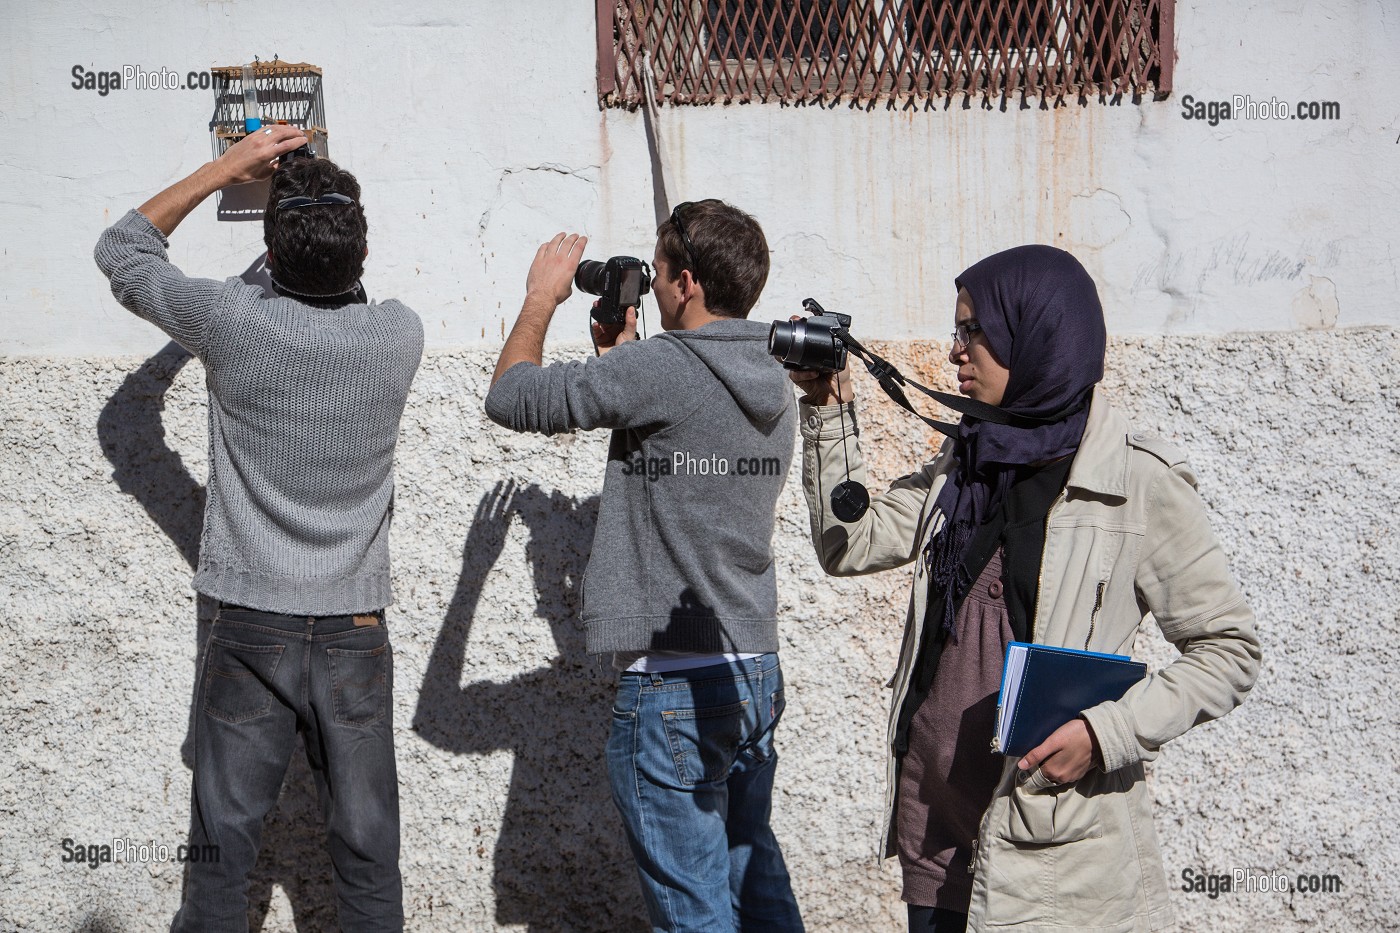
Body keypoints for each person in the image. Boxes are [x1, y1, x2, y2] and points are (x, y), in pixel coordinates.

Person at [789, 245, 1260, 933]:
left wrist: (1106, 732)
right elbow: (849, 542)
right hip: (936, 827)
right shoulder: (969, 459)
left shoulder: (1136, 481)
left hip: (1050, 844)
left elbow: (1229, 649)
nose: (955, 352)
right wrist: (828, 410)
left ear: (1035, 333)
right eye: (958, 331)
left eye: (973, 331)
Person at [94, 126, 423, 932]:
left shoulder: (231, 323)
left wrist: (228, 169)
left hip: (249, 628)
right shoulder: (399, 334)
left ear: (271, 257)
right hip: (353, 629)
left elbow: (123, 252)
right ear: (364, 253)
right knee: (369, 852)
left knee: (222, 851)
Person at [483, 200, 805, 933]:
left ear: (686, 281)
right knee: (754, 882)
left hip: (675, 685)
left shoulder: (663, 368)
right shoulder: (774, 374)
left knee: (694, 916)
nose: (653, 287)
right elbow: (691, 463)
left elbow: (512, 396)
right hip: (751, 666)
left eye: (659, 274)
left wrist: (541, 297)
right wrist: (619, 358)